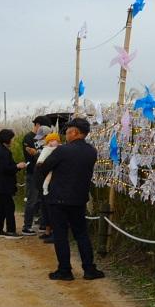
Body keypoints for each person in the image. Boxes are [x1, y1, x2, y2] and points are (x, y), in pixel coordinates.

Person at [36, 117, 105, 281]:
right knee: (81, 234)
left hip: (58, 199)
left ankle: (65, 270)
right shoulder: (91, 151)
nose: (66, 135)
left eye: (67, 132)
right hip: (79, 198)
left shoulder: (62, 151)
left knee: (60, 235)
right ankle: (89, 269)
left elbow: (44, 167)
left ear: (75, 132)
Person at [0, 128, 27, 238]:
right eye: (12, 139)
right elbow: (6, 169)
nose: (13, 141)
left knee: (2, 207)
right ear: (7, 139)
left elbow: (7, 166)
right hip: (2, 185)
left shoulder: (1, 150)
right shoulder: (3, 152)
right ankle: (11, 231)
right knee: (9, 207)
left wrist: (17, 166)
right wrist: (17, 166)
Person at [21, 118, 47, 235]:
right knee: (32, 199)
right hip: (33, 173)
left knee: (43, 200)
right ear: (37, 125)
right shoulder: (28, 138)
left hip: (44, 174)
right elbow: (32, 156)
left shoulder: (46, 137)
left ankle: (43, 223)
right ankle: (27, 226)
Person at [35, 131, 61, 241]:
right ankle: (47, 230)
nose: (51, 142)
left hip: (52, 183)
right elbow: (40, 164)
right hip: (43, 181)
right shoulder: (45, 150)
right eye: (49, 140)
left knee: (51, 208)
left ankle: (53, 232)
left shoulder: (60, 151)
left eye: (53, 140)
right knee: (45, 207)